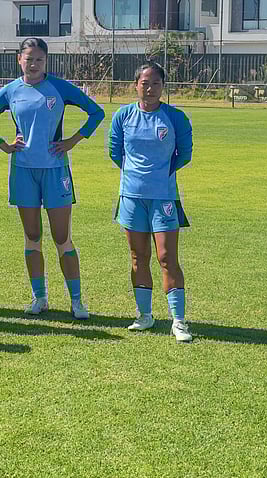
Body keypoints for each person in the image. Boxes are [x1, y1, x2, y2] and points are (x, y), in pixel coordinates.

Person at [0, 37, 104, 319]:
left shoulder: (58, 87)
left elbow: (96, 112)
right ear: (18, 60)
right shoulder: (11, 91)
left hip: (55, 170)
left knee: (62, 237)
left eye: (39, 59)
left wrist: (72, 141)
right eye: (28, 58)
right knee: (32, 236)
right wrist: (4, 145)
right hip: (23, 170)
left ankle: (77, 301)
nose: (33, 64)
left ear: (46, 61)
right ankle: (40, 298)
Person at [108, 61, 193, 343]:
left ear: (163, 87)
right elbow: (115, 152)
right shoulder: (122, 116)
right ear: (136, 85)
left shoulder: (176, 118)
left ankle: (178, 321)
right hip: (132, 197)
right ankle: (144, 316)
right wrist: (136, 178)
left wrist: (159, 177)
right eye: (145, 83)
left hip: (164, 197)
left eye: (156, 83)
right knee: (137, 257)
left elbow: (184, 155)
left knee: (167, 258)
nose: (150, 88)